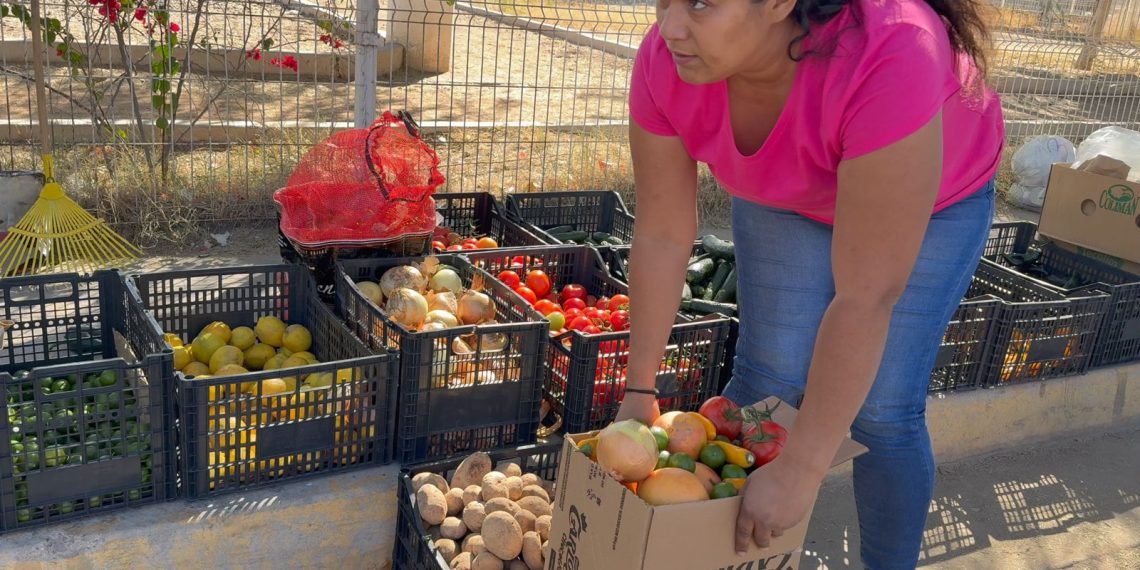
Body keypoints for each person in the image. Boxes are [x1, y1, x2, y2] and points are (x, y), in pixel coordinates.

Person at [614, 0, 1004, 568]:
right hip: (788, 189)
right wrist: (639, 391)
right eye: (664, 1)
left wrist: (802, 469)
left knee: (883, 412)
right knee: (766, 380)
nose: (670, 27)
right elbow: (662, 235)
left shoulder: (891, 48)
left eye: (701, 4)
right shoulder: (667, 60)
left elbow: (865, 295)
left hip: (934, 197)